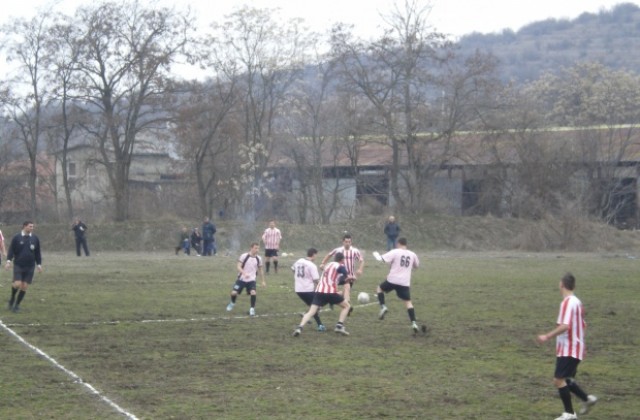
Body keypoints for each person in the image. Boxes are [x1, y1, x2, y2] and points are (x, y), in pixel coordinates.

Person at [536, 273, 598, 420]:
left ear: (561, 285)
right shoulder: (577, 302)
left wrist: (547, 336)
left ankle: (569, 414)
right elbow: (583, 325)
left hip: (569, 349)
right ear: (574, 286)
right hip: (576, 348)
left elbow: (565, 326)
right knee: (567, 380)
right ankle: (587, 399)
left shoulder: (566, 303)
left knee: (558, 380)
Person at [293, 252, 352, 336]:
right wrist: (350, 277)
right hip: (330, 292)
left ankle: (299, 327)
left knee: (311, 311)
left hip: (319, 291)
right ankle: (339, 326)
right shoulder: (340, 266)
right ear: (342, 260)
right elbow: (345, 274)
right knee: (347, 306)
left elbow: (332, 277)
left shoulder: (328, 265)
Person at [375, 237, 422, 334]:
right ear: (406, 244)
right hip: (404, 282)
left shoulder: (395, 251)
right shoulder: (412, 254)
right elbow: (417, 265)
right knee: (408, 302)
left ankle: (383, 306)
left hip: (392, 280)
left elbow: (381, 259)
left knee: (379, 289)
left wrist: (375, 254)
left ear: (398, 243)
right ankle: (413, 323)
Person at [5, 221, 43, 313]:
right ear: (24, 226)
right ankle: (12, 299)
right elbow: (11, 250)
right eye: (30, 226)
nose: (32, 228)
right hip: (18, 264)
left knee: (24, 286)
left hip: (30, 266)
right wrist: (8, 261)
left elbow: (37, 253)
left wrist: (39, 265)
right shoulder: (16, 237)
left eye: (33, 226)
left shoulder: (35, 238)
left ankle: (16, 306)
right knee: (17, 284)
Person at [319, 233, 364, 305]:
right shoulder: (338, 250)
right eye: (346, 242)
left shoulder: (355, 251)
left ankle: (332, 300)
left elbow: (361, 260)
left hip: (350, 275)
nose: (348, 243)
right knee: (347, 287)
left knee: (345, 291)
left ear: (351, 242)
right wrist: (323, 263)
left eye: (349, 242)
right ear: (343, 242)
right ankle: (348, 306)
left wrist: (360, 269)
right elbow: (329, 255)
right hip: (338, 275)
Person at [226, 242, 266, 317]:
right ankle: (232, 303)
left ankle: (252, 309)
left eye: (258, 248)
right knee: (234, 293)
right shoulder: (244, 256)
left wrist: (263, 281)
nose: (257, 250)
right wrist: (244, 273)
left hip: (251, 280)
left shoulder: (259, 258)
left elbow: (260, 270)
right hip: (241, 279)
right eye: (255, 248)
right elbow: (238, 266)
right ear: (251, 248)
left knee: (253, 292)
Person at [291, 248, 325, 331]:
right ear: (313, 255)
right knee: (317, 306)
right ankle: (319, 325)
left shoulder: (299, 260)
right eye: (316, 255)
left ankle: (308, 316)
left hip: (298, 290)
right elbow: (316, 280)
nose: (316, 257)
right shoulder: (312, 265)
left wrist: (299, 278)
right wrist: (324, 287)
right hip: (307, 290)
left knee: (314, 306)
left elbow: (292, 269)